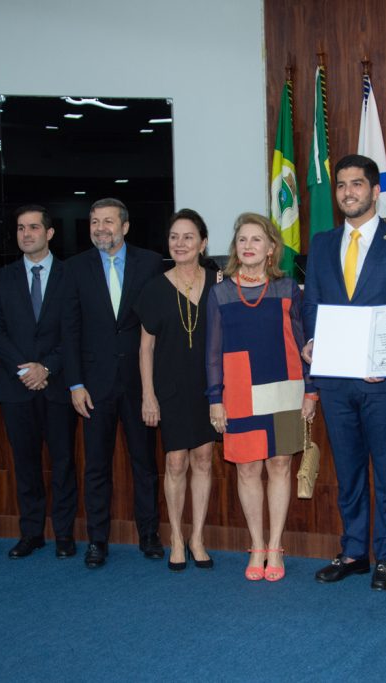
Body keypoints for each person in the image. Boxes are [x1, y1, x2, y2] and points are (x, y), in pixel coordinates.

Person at [302, 154, 386, 591]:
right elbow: (312, 305)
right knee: (350, 471)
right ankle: (355, 551)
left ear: (375, 191)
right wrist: (312, 341)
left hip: (384, 383)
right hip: (336, 381)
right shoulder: (320, 243)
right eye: (340, 185)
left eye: (356, 184)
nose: (347, 193)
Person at [205, 212, 316, 581]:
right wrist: (214, 398)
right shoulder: (220, 292)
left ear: (271, 248)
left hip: (285, 388)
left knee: (280, 465)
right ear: (235, 248)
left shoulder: (288, 290)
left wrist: (312, 390)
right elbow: (213, 352)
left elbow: (303, 343)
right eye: (242, 240)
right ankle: (256, 546)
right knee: (248, 468)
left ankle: (275, 546)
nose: (248, 246)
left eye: (257, 240)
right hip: (238, 392)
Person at [62, 198, 164, 569]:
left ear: (125, 226)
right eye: (94, 222)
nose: (100, 228)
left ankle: (149, 535)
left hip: (140, 385)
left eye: (108, 221)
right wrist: (74, 383)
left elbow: (157, 325)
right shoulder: (74, 268)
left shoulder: (151, 263)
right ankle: (97, 541)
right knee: (96, 467)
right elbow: (69, 331)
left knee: (145, 464)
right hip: (93, 386)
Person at [0, 205, 78, 559]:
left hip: (57, 385)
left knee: (63, 463)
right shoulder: (1, 278)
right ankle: (31, 533)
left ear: (50, 233)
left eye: (34, 227)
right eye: (21, 228)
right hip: (16, 387)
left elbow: (74, 330)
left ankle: (65, 535)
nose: (26, 234)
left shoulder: (71, 276)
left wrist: (47, 367)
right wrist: (24, 370)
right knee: (25, 464)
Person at [135, 209, 220, 571]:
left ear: (203, 243)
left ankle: (197, 536)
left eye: (188, 237)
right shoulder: (154, 288)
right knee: (175, 461)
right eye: (174, 237)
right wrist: (148, 395)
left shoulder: (220, 281)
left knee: (203, 459)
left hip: (209, 387)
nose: (180, 243)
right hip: (168, 388)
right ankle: (175, 537)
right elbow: (146, 348)